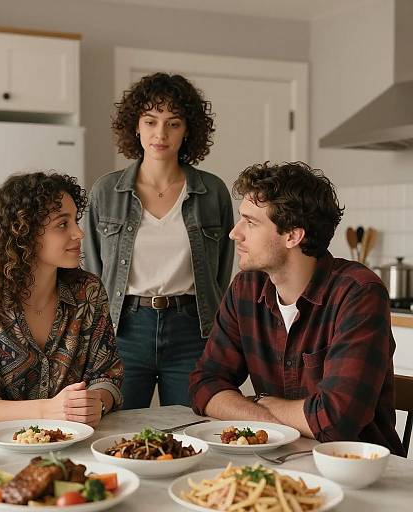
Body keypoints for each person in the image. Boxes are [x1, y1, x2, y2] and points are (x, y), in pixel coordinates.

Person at [189, 161, 406, 456]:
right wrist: (267, 417)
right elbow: (205, 385)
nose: (234, 233)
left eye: (251, 223)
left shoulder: (358, 293)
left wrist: (254, 405)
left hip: (358, 473)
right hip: (282, 460)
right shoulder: (245, 289)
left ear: (292, 236)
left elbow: (337, 421)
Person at [83, 72, 234, 409]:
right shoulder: (106, 192)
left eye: (173, 123)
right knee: (116, 433)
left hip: (192, 330)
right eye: (151, 121)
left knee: (190, 431)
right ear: (135, 126)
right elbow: (89, 270)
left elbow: (222, 272)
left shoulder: (213, 192)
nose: (160, 134)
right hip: (123, 328)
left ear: (188, 130)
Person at [0, 172, 123, 427]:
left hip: (69, 445)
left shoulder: (89, 293)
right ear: (24, 234)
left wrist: (97, 402)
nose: (78, 233)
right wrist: (47, 410)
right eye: (63, 225)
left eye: (75, 221)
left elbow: (107, 374)